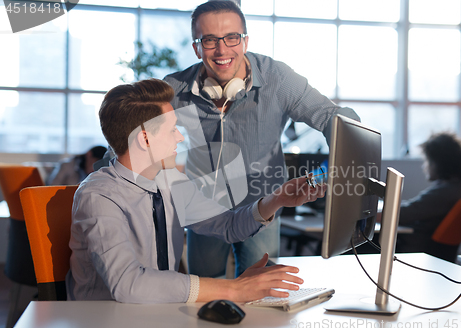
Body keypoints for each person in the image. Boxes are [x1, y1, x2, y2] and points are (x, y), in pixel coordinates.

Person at [66, 78, 326, 303]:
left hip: (158, 314)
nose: (180, 137)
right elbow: (128, 284)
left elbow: (228, 225)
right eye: (172, 129)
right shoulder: (99, 196)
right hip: (104, 320)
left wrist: (276, 199)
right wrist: (233, 289)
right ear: (145, 139)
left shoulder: (169, 182)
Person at [163, 0, 360, 278]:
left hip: (263, 206)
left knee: (262, 296)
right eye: (209, 40)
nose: (222, 50)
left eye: (232, 37)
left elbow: (330, 116)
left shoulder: (277, 79)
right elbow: (134, 136)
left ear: (244, 42)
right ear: (196, 47)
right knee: (204, 294)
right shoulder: (176, 89)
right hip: (204, 213)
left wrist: (346, 149)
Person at [396, 132, 461, 254]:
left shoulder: (444, 193)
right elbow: (413, 208)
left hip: (413, 251)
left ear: (438, 163)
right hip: (424, 250)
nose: (425, 166)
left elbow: (401, 215)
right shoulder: (456, 189)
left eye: (427, 161)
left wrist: (368, 213)